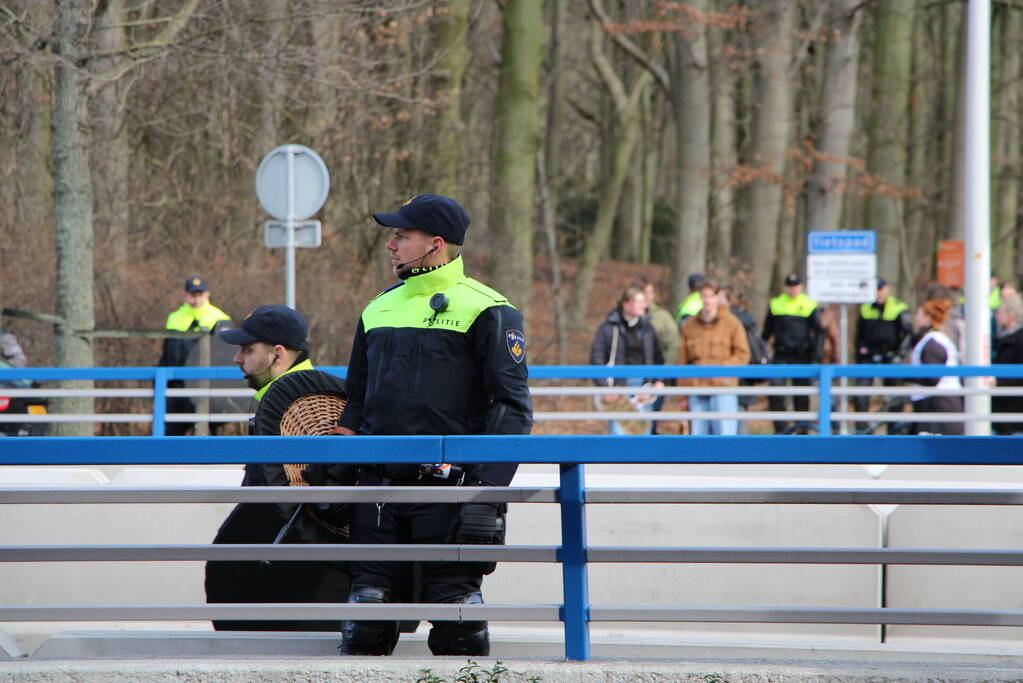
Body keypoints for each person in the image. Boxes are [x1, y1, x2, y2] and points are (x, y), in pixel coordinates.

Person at [335, 194, 533, 657]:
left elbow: (511, 408)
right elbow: (357, 400)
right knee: (365, 625)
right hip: (377, 493)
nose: (391, 245)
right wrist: (340, 462)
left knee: (460, 627)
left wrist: (487, 491)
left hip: (451, 492)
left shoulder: (491, 310)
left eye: (402, 236)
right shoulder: (377, 307)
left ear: (435, 244)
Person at [205, 305, 351, 631]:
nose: (237, 359)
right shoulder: (297, 398)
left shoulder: (294, 409)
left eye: (247, 350)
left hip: (306, 576)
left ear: (278, 353)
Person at [158, 276, 231, 435]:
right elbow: (168, 352)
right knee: (169, 435)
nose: (197, 299)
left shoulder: (219, 318)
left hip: (206, 386)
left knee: (207, 436)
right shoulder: (174, 318)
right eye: (193, 294)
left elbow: (224, 355)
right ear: (185, 295)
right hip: (177, 386)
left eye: (200, 294)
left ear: (207, 294)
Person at [590, 285, 665, 435]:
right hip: (617, 386)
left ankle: (642, 459)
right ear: (626, 304)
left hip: (644, 387)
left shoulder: (648, 328)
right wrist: (605, 387)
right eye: (638, 302)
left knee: (644, 433)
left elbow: (658, 358)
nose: (643, 305)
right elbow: (596, 359)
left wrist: (658, 381)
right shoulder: (608, 328)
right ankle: (617, 459)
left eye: (643, 302)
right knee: (619, 433)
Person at [678, 279, 749, 435]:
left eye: (711, 296)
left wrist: (722, 368)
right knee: (698, 436)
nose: (707, 300)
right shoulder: (689, 325)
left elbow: (742, 354)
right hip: (697, 387)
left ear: (717, 297)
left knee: (724, 435)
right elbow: (682, 361)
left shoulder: (732, 323)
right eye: (704, 296)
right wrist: (682, 395)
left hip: (722, 386)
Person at [761, 273, 824, 434]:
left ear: (801, 287)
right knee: (776, 391)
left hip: (801, 355)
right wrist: (761, 352)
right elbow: (767, 331)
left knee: (801, 395)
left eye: (796, 286)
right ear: (785, 287)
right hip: (781, 354)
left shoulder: (809, 304)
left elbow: (819, 332)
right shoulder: (776, 303)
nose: (793, 289)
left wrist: (817, 356)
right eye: (790, 286)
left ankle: (802, 431)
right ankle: (781, 431)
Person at [852, 279, 912, 430]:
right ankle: (862, 430)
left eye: (881, 289)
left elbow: (908, 335)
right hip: (869, 357)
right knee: (860, 393)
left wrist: (899, 355)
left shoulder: (898, 308)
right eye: (876, 289)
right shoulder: (866, 308)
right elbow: (858, 335)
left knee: (893, 395)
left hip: (890, 356)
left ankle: (894, 431)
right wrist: (860, 353)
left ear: (888, 289)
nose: (878, 293)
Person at [909, 293, 964, 435]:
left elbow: (932, 378)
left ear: (928, 318)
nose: (916, 318)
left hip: (937, 405)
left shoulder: (932, 343)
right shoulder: (935, 340)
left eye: (919, 314)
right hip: (939, 403)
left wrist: (906, 375)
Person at [637, 277, 679, 433]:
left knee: (650, 419)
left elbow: (673, 345)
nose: (648, 296)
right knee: (629, 422)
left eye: (650, 292)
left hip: (655, 376)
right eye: (644, 292)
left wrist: (663, 375)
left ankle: (647, 452)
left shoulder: (662, 316)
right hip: (632, 377)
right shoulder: (624, 317)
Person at [993, 295, 1023, 435]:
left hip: (1014, 408)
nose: (996, 316)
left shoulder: (1017, 339)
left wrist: (997, 381)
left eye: (1000, 312)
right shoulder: (1002, 337)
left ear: (1011, 315)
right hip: (1004, 406)